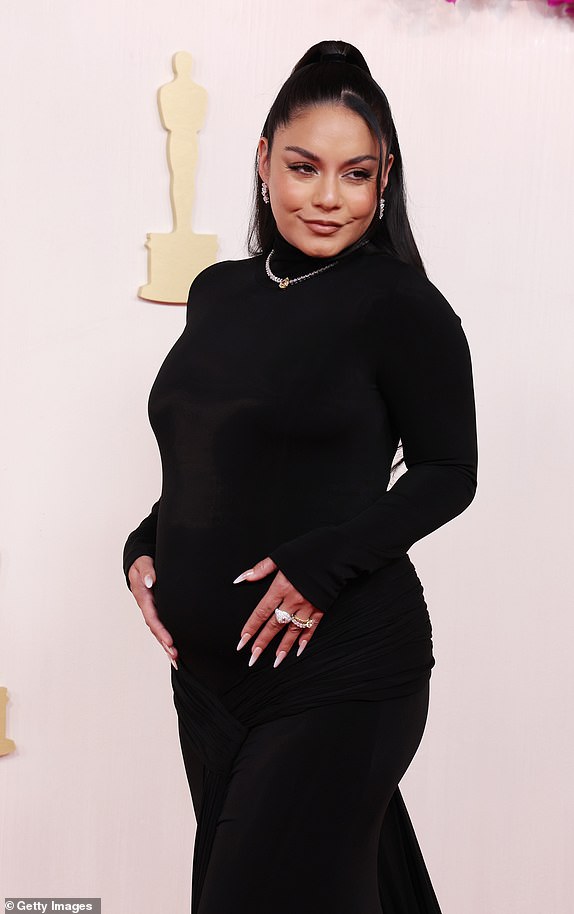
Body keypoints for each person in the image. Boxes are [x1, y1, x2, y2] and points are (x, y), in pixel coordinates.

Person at [123, 39, 478, 914]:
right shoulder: (220, 291)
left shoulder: (401, 305)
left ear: (385, 176)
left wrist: (321, 564)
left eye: (355, 173)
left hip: (340, 669)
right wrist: (143, 546)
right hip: (210, 683)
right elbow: (213, 457)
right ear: (262, 162)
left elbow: (448, 472)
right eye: (303, 167)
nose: (328, 197)